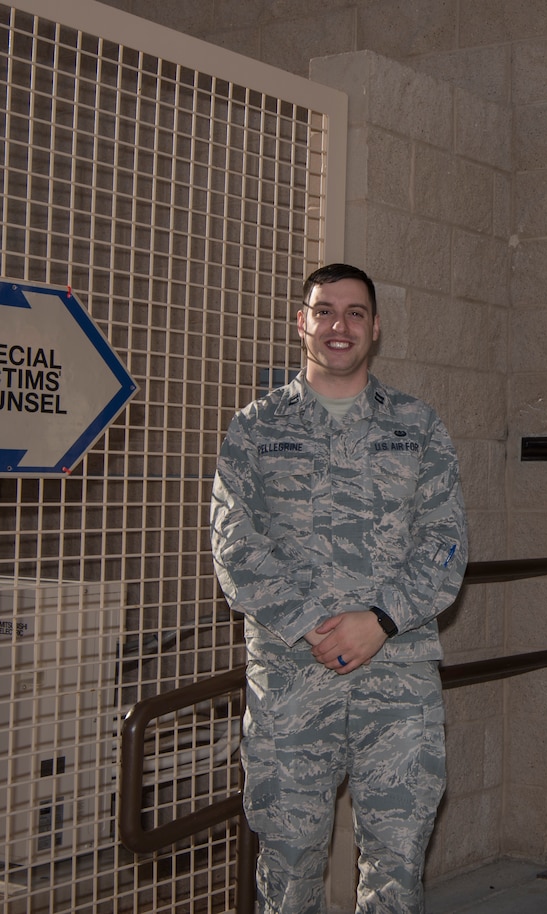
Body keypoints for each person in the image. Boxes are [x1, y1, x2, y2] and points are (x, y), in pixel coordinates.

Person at [210, 262, 468, 914]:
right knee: (290, 868)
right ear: (302, 322)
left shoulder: (417, 427)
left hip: (398, 682)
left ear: (375, 328)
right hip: (292, 682)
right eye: (325, 310)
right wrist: (311, 625)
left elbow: (444, 543)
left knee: (396, 866)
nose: (339, 325)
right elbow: (234, 545)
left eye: (355, 313)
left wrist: (378, 620)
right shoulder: (257, 428)